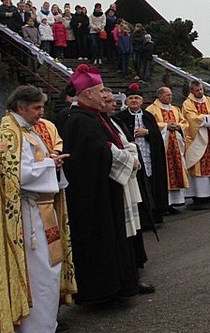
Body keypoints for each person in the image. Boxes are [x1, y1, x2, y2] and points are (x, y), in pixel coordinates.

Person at [0, 85, 75, 333]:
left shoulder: (29, 131)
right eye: (37, 108)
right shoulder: (10, 133)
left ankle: (47, 323)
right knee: (37, 272)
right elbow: (19, 176)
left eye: (42, 107)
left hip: (42, 209)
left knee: (49, 268)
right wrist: (50, 163)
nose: (41, 113)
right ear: (21, 107)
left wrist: (50, 162)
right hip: (28, 214)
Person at [60, 64, 140, 304]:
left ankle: (120, 286)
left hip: (105, 188)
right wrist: (117, 155)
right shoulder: (79, 120)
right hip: (92, 195)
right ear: (88, 94)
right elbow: (92, 154)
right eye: (101, 90)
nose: (106, 94)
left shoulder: (92, 116)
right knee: (99, 241)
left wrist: (117, 152)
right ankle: (103, 292)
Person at [100, 88, 156, 295]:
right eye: (106, 100)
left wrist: (134, 149)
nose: (112, 104)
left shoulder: (114, 121)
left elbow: (128, 144)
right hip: (120, 177)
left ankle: (135, 265)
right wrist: (130, 154)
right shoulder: (97, 122)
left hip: (131, 172)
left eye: (112, 100)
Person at [114, 83, 169, 221]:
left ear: (142, 101)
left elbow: (157, 136)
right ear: (126, 101)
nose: (134, 100)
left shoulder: (148, 116)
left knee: (151, 184)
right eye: (131, 98)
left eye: (136, 98)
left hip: (149, 156)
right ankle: (141, 218)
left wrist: (148, 132)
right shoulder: (120, 117)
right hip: (133, 158)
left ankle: (155, 215)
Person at [146, 86, 189, 209]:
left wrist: (178, 126)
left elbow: (184, 122)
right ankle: (166, 203)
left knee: (177, 169)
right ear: (160, 96)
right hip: (163, 146)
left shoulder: (175, 109)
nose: (170, 97)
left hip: (176, 143)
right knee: (164, 171)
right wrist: (166, 126)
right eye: (167, 95)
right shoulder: (151, 109)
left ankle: (176, 201)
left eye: (170, 95)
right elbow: (151, 125)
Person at [182, 80, 210, 202]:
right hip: (197, 139)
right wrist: (208, 118)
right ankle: (198, 194)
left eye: (201, 89)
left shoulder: (209, 101)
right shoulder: (187, 103)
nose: (200, 92)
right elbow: (191, 118)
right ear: (191, 91)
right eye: (197, 90)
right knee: (197, 164)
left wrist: (206, 118)